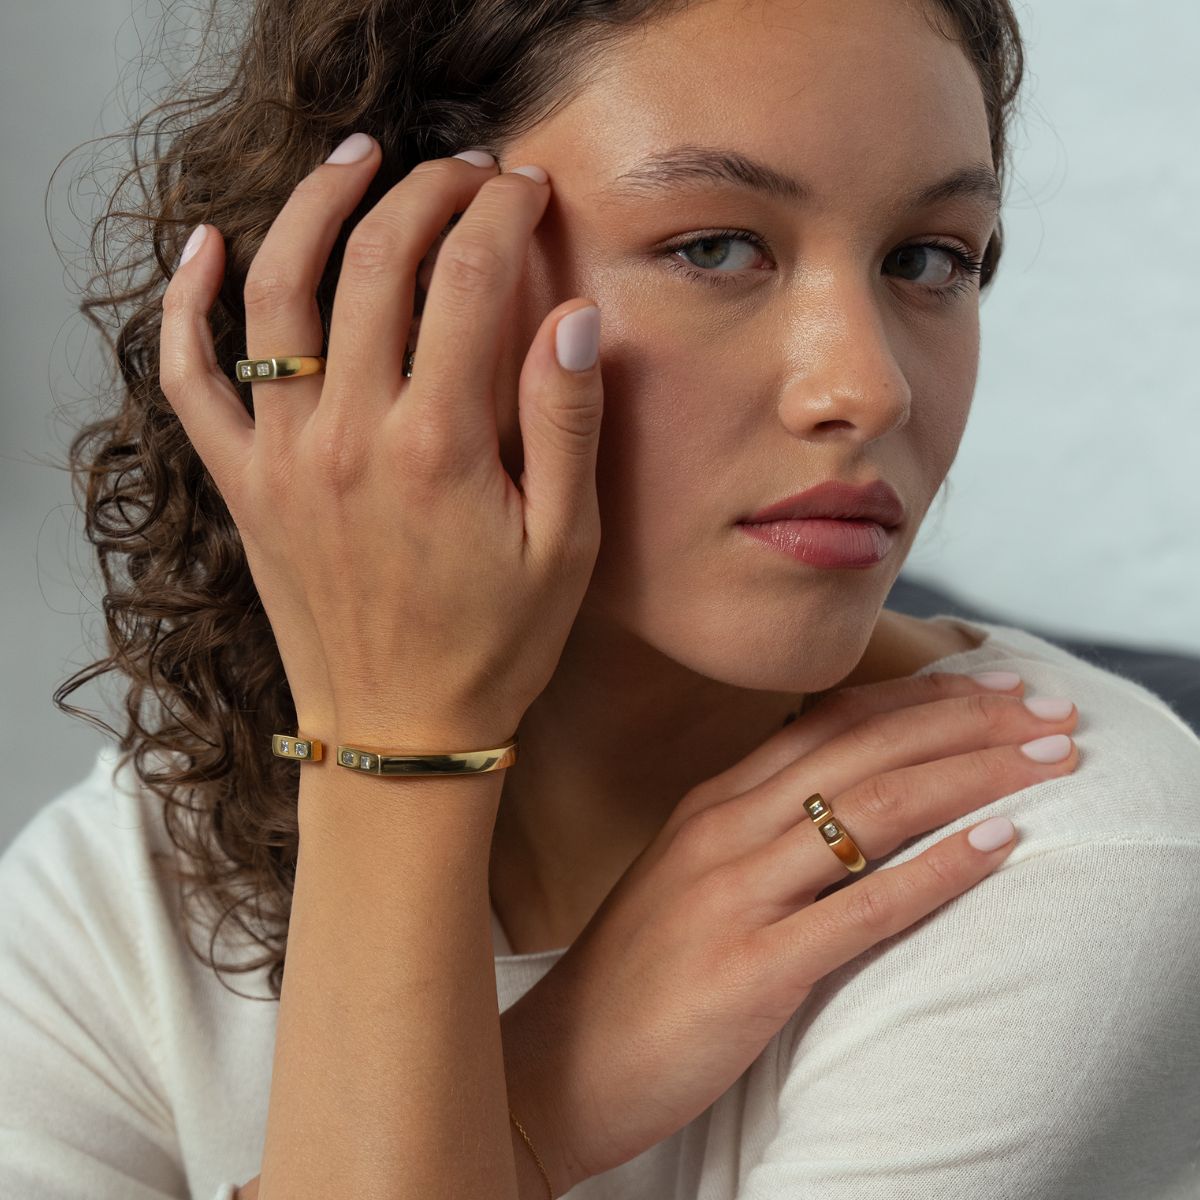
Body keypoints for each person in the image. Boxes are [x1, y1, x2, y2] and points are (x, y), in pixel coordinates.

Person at [3, 0, 1199, 1196]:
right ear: (394, 292)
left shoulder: (1058, 857)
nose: (868, 388)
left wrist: (399, 767)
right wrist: (542, 1095)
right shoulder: (140, 883)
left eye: (929, 258)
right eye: (714, 247)